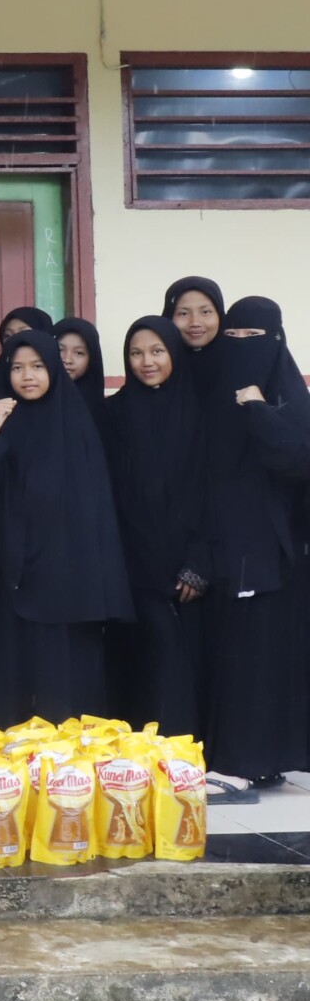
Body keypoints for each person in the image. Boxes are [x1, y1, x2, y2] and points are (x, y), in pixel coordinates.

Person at [0, 332, 134, 726]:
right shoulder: (7, 421)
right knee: (18, 669)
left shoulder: (75, 423)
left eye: (37, 366)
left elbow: (90, 506)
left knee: (65, 673)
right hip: (16, 563)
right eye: (17, 368)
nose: (27, 376)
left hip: (66, 569)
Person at [197, 297, 310, 798]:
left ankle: (252, 761)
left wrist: (258, 408)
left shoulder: (288, 398)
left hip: (278, 553)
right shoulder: (213, 396)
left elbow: (297, 460)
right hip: (226, 549)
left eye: (253, 339)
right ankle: (249, 758)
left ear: (276, 341)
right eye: (233, 337)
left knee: (266, 654)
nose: (241, 348)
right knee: (238, 653)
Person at [103, 317, 209, 736]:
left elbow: (213, 492)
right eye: (136, 353)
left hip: (189, 564)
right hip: (131, 563)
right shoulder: (113, 413)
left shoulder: (200, 410)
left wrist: (199, 561)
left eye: (157, 351)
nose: (146, 362)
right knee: (140, 665)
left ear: (174, 353)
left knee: (184, 666)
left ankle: (183, 753)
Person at [53, 317, 111, 435]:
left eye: (79, 353)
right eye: (60, 350)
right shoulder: (33, 401)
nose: (67, 359)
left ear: (92, 359)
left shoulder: (107, 412)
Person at [164, 277, 226, 357]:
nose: (195, 323)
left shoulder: (236, 359)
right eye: (184, 314)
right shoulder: (154, 361)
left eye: (205, 312)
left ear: (219, 315)